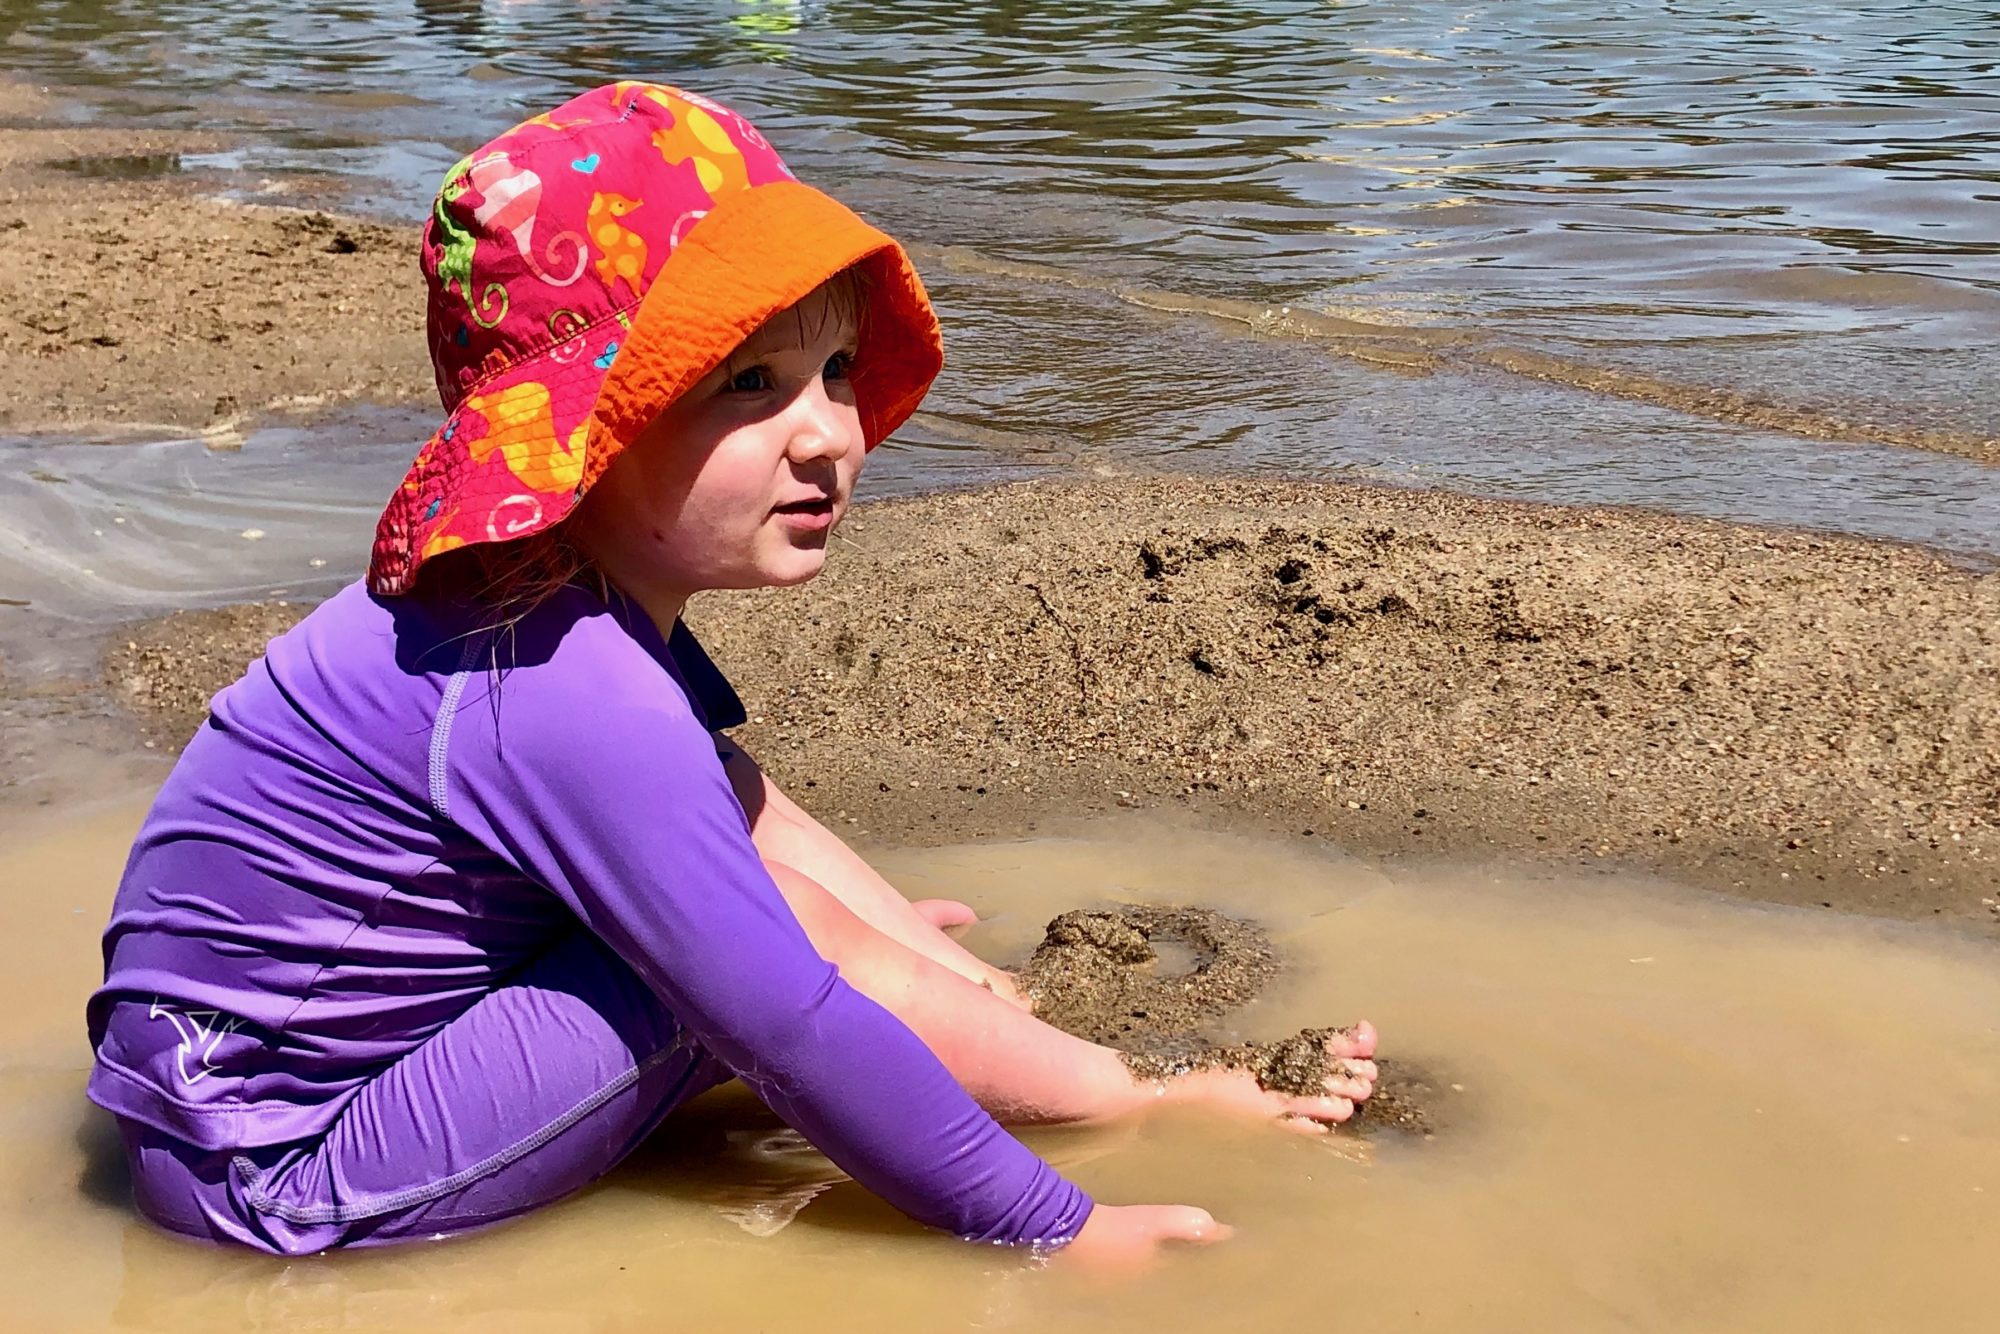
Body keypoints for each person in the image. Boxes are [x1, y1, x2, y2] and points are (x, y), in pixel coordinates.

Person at [85, 82, 1378, 1263]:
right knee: (775, 970)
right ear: (588, 437)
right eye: (747, 384)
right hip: (271, 1169)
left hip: (243, 1078)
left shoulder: (539, 599)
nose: (828, 431)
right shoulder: (564, 687)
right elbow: (796, 1020)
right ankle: (1123, 1097)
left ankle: (972, 1019)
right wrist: (1052, 1215)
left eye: (831, 371)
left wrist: (943, 973)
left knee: (757, 884)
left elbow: (740, 797)